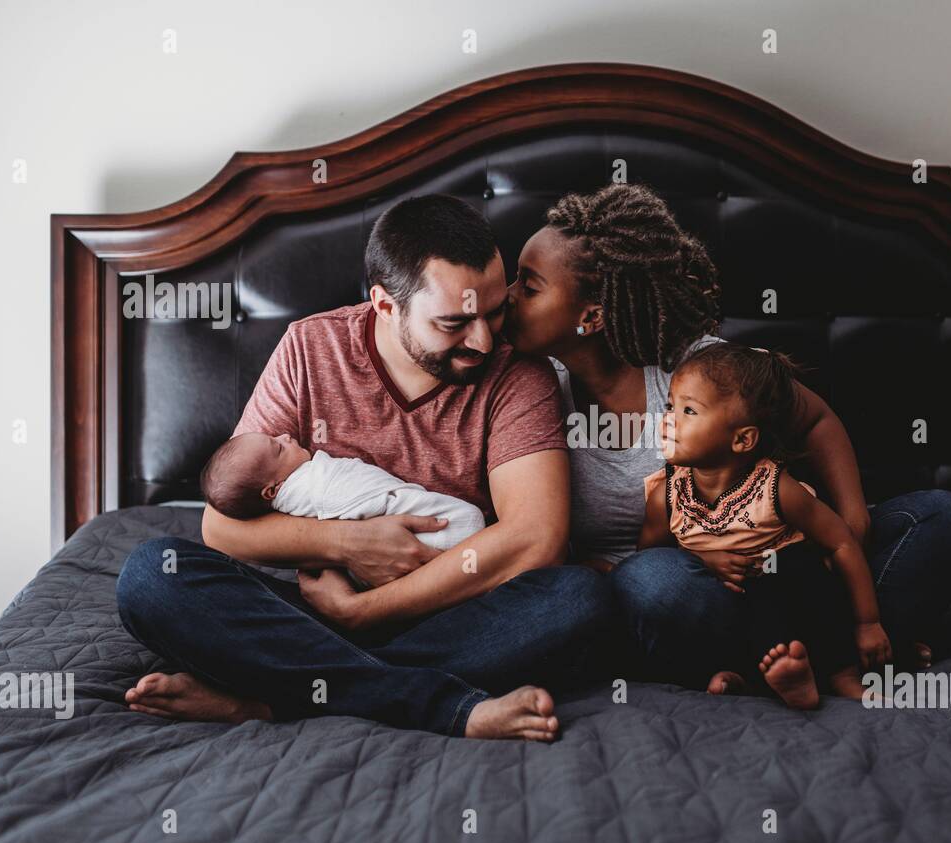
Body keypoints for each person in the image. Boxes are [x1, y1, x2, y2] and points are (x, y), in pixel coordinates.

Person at [115, 195, 615, 741]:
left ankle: (270, 699)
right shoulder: (311, 347)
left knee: (575, 598)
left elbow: (534, 539)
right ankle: (439, 702)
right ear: (384, 305)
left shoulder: (519, 374)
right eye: (454, 322)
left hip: (457, 609)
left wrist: (366, 613)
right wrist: (349, 546)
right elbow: (222, 526)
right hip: (314, 610)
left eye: (494, 310)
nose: (485, 340)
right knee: (152, 576)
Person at [501, 182, 951, 689]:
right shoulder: (531, 393)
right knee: (653, 582)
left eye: (528, 287)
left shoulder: (691, 366)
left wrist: (852, 520)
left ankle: (803, 655)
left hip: (781, 563)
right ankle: (823, 655)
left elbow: (816, 420)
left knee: (940, 517)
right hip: (680, 591)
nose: (507, 297)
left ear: (592, 315)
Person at [639, 342, 889, 707]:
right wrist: (703, 562)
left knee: (793, 568)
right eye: (669, 407)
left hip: (791, 600)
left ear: (742, 439)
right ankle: (749, 675)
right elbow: (649, 559)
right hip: (721, 609)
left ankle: (840, 672)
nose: (669, 420)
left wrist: (868, 623)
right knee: (667, 607)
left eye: (689, 410)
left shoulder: (775, 489)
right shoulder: (667, 493)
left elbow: (841, 543)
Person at [198, 431, 485, 554]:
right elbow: (218, 529)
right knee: (157, 571)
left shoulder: (287, 473)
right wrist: (348, 545)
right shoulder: (313, 486)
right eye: (278, 447)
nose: (284, 436)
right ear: (273, 489)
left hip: (468, 567)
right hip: (454, 542)